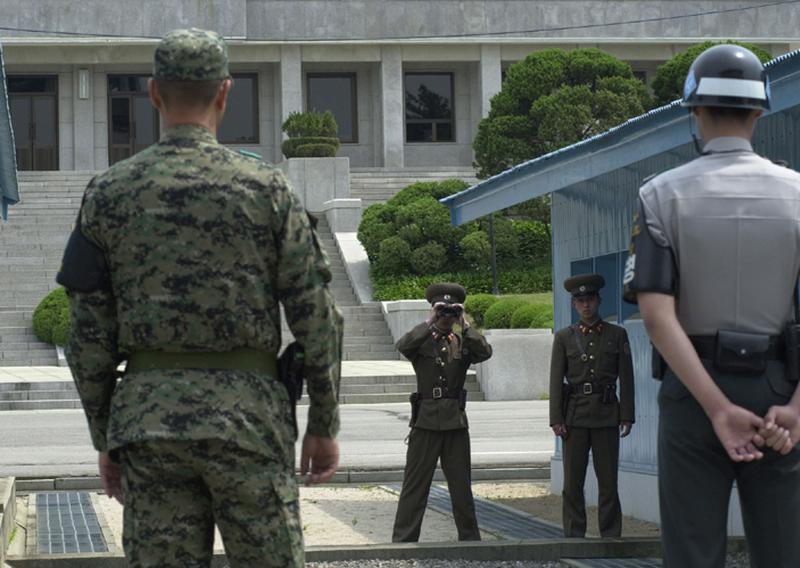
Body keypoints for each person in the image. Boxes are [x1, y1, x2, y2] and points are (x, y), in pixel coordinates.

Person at [57, 28, 343, 568]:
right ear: (225, 93)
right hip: (250, 425)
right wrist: (324, 424)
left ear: (154, 94)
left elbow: (87, 336)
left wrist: (107, 436)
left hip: (150, 424)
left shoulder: (109, 193)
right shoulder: (267, 190)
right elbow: (316, 317)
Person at [623, 44, 800, 568]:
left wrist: (716, 408)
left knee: (692, 553)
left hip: (694, 397)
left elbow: (658, 316)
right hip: (777, 391)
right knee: (786, 553)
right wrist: (798, 411)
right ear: (759, 112)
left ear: (694, 111)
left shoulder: (660, 195)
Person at [391, 283, 493, 542]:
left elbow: (485, 352)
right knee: (415, 486)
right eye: (442, 310)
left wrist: (465, 323)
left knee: (461, 487)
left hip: (455, 424)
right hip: (425, 423)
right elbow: (403, 346)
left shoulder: (463, 341)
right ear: (434, 311)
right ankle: (404, 540)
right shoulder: (422, 342)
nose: (447, 316)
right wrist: (429, 321)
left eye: (451, 311)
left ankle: (470, 540)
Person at [549, 274, 635, 538]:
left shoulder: (617, 334)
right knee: (572, 483)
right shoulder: (564, 337)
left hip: (607, 414)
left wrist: (627, 415)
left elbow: (627, 378)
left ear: (599, 301)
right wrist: (556, 418)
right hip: (574, 416)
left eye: (590, 300)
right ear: (574, 305)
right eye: (580, 301)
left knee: (608, 482)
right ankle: (575, 534)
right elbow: (555, 380)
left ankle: (610, 535)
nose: (586, 306)